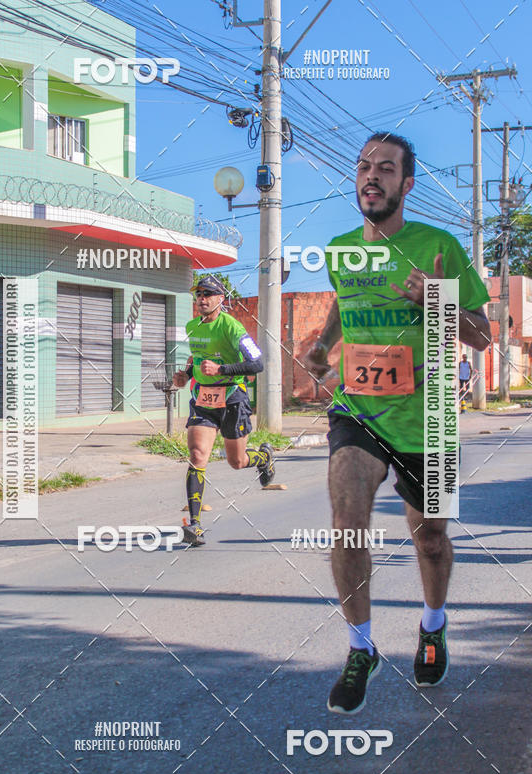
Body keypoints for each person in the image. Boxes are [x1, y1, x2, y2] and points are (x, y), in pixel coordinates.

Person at [305, 132, 491, 714]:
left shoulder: (438, 246)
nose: (371, 175)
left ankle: (432, 625)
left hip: (429, 416)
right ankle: (361, 648)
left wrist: (435, 299)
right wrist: (323, 346)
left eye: (385, 168)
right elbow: (344, 299)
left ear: (406, 184)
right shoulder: (339, 249)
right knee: (347, 521)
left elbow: (482, 335)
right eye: (364, 166)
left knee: (430, 538)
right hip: (359, 408)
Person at [173, 274, 275, 546]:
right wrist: (185, 374)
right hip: (203, 400)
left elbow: (257, 363)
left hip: (232, 397)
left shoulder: (232, 327)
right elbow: (196, 357)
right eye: (198, 295)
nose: (201, 299)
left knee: (236, 461)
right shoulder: (192, 326)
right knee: (197, 454)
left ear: (221, 298)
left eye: (207, 294)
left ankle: (263, 459)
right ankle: (194, 526)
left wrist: (222, 370)